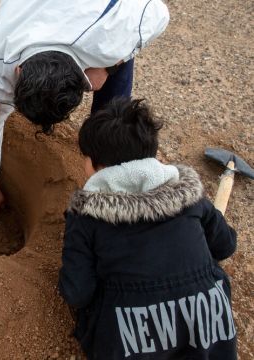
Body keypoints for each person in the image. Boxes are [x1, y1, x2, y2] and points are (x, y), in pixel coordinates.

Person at [0, 0, 170, 218]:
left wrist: (111, 66)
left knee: (112, 121)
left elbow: (160, 15)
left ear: (82, 78)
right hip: (40, 19)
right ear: (18, 71)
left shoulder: (110, 35)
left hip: (97, 30)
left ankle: (109, 179)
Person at [58, 98, 237, 359]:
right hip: (207, 329)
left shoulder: (85, 218)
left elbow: (77, 292)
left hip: (131, 335)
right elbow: (226, 245)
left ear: (97, 164)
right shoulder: (190, 198)